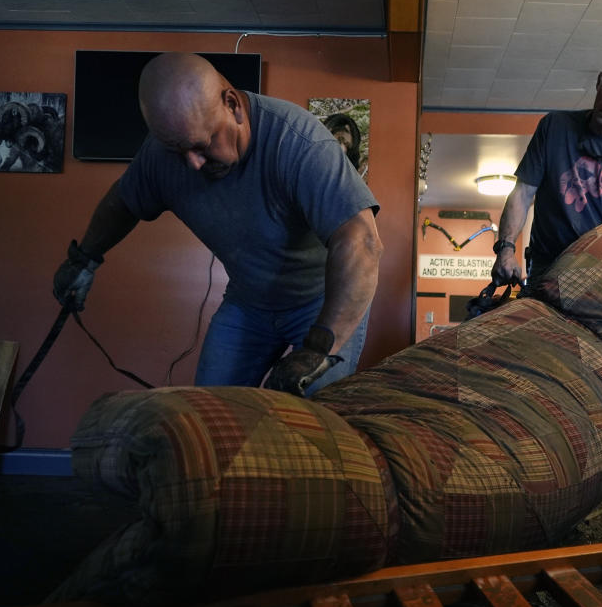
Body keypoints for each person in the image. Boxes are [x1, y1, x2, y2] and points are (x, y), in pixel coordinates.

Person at [52, 52, 383, 397]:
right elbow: (123, 201)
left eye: (203, 143)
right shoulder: (165, 154)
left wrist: (317, 348)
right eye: (178, 150)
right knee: (209, 411)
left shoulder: (298, 142)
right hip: (249, 303)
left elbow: (362, 242)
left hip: (320, 301)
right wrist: (84, 259)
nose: (192, 163)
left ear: (232, 104)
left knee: (317, 416)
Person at [490, 44, 602, 537]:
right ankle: (550, 503)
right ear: (598, 80)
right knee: (543, 385)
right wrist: (506, 247)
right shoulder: (555, 128)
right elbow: (522, 193)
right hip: (549, 275)